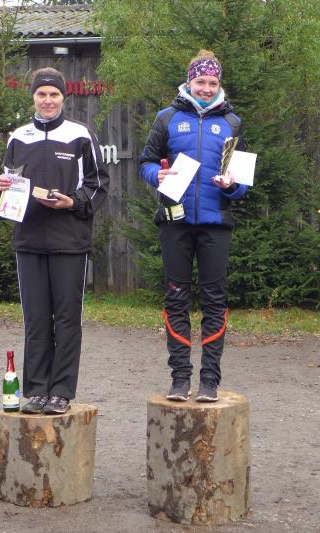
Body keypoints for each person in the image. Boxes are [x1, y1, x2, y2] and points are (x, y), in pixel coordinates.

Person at [0, 67, 109, 415]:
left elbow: (99, 184)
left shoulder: (80, 135)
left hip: (69, 241)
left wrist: (72, 202)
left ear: (63, 97)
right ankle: (37, 391)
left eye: (54, 94)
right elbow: (9, 182)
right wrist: (3, 186)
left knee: (67, 319)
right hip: (29, 240)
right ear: (33, 96)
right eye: (42, 94)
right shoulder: (19, 137)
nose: (48, 100)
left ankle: (60, 391)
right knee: (36, 320)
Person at [139, 50, 249, 403]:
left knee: (215, 301)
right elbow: (145, 162)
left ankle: (209, 381)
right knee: (176, 298)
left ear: (219, 84)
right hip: (176, 222)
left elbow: (242, 183)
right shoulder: (167, 118)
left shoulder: (232, 122)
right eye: (200, 81)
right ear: (189, 82)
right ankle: (180, 379)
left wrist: (231, 185)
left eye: (212, 82)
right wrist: (157, 175)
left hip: (216, 224)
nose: (205, 88)